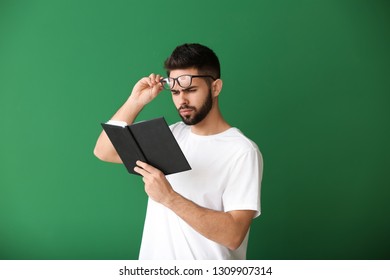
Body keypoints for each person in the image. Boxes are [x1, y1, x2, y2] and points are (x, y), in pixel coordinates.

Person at [94, 43, 263, 260]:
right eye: (175, 92)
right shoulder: (166, 136)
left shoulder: (242, 151)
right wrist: (136, 101)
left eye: (191, 90)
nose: (182, 100)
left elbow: (233, 234)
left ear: (215, 87)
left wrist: (169, 198)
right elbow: (104, 151)